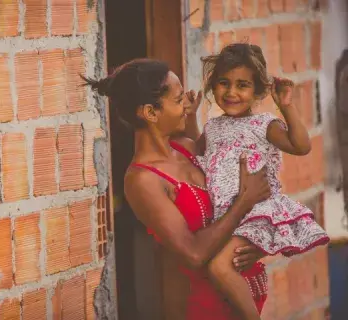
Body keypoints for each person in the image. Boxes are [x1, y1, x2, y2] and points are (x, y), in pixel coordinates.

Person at [83, 58, 271, 319]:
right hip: (208, 308)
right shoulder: (143, 180)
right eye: (178, 99)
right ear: (150, 112)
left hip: (247, 299)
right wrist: (243, 202)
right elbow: (193, 253)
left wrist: (258, 246)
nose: (186, 105)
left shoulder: (187, 147)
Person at [183, 43, 330, 319]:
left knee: (219, 268)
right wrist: (191, 115)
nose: (231, 92)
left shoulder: (264, 125)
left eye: (242, 85)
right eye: (223, 83)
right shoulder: (213, 126)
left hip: (255, 214)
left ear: (258, 91)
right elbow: (196, 151)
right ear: (213, 87)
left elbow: (300, 146)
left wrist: (286, 107)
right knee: (218, 275)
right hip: (228, 215)